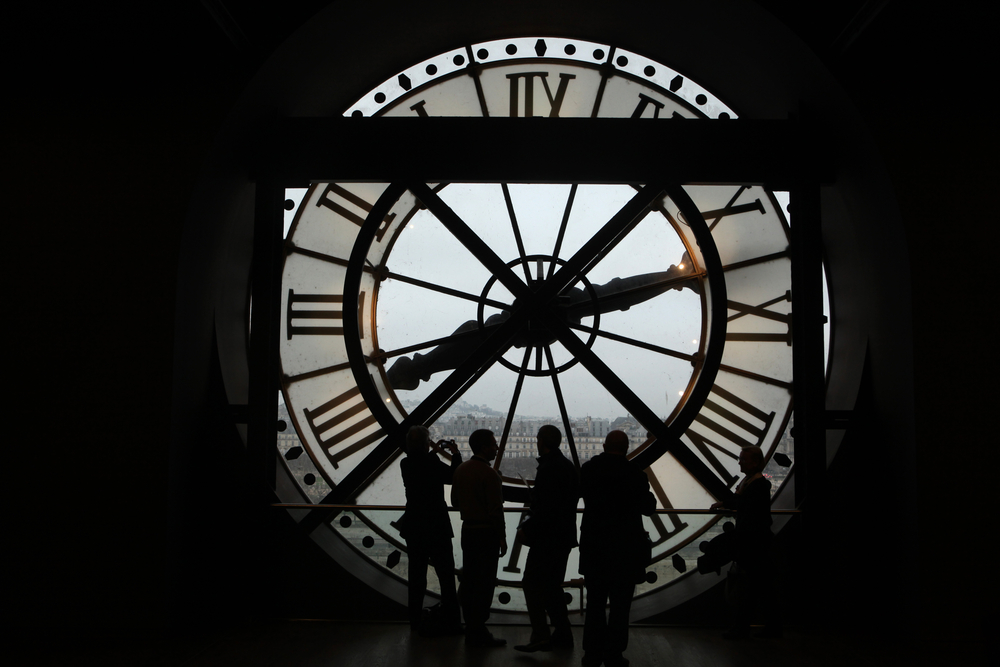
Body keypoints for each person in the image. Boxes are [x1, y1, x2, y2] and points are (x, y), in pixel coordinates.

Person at [579, 431, 655, 667]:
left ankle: (592, 653)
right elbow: (648, 508)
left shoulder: (589, 470)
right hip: (626, 549)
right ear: (627, 447)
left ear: (603, 445)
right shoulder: (635, 474)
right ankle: (614, 654)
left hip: (595, 547)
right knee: (620, 608)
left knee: (595, 605)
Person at [514, 425, 580, 653]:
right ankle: (560, 634)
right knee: (551, 588)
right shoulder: (564, 467)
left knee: (533, 584)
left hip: (547, 540)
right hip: (560, 538)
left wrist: (527, 528)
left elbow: (545, 508)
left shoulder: (549, 469)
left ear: (542, 441)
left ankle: (543, 634)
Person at [398, 425, 462, 635]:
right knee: (446, 576)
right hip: (437, 526)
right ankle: (452, 621)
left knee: (416, 577)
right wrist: (455, 454)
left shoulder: (405, 464)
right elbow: (453, 476)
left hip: (414, 526)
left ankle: (415, 622)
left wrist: (433, 451)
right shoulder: (432, 462)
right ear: (426, 443)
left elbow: (421, 464)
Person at [709, 445, 776, 639]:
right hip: (757, 544)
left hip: (751, 544)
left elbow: (742, 504)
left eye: (743, 459)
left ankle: (742, 628)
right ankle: (764, 627)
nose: (740, 462)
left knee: (750, 589)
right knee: (759, 589)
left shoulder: (751, 484)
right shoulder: (758, 484)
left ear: (754, 462)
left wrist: (725, 503)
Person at [451, 429, 508, 647]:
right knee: (484, 584)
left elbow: (455, 501)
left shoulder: (461, 470)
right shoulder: (490, 475)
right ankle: (478, 629)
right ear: (484, 447)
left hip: (469, 531)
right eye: (494, 444)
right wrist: (501, 537)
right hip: (486, 534)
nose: (496, 447)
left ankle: (472, 627)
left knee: (472, 580)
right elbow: (495, 510)